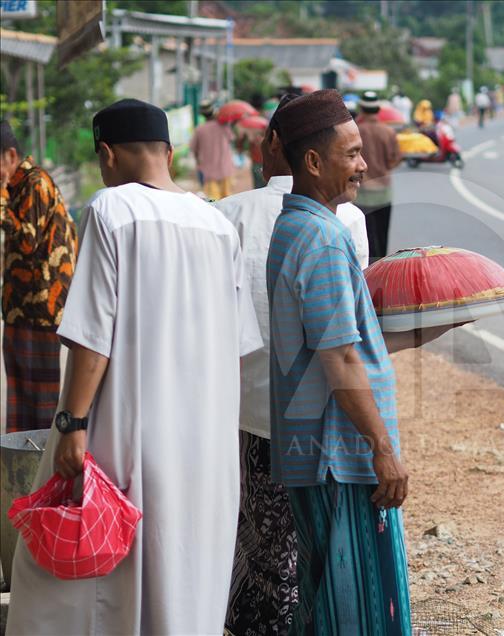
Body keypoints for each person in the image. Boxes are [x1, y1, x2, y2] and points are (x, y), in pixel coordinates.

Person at [6, 98, 262, 634]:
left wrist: (72, 423)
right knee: (188, 576)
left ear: (107, 155)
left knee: (79, 575)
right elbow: (238, 346)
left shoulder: (111, 209)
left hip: (127, 436)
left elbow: (92, 337)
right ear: (168, 152)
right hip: (207, 447)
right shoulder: (217, 224)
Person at [266, 89, 457, 634]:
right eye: (351, 154)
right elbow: (341, 360)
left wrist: (435, 325)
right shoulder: (323, 238)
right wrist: (384, 452)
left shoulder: (297, 226)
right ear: (312, 162)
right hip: (339, 458)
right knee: (354, 611)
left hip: (322, 453)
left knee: (325, 600)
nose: (363, 165)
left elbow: (345, 343)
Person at [215, 98, 369, 636]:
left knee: (260, 547)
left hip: (250, 415)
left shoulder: (227, 213)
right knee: (316, 556)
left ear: (274, 143)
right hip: (326, 423)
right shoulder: (346, 219)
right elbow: (345, 336)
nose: (360, 165)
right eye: (350, 152)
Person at [0, 120, 77, 432]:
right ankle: (22, 470)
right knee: (20, 394)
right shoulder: (14, 185)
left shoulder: (36, 183)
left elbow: (28, 241)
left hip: (42, 307)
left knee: (41, 402)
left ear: (10, 155)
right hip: (19, 306)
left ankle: (44, 471)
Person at [356, 90, 402, 261]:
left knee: (365, 239)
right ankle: (382, 271)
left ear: (362, 108)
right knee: (383, 237)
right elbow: (396, 158)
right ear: (377, 110)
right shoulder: (388, 132)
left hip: (361, 193)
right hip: (384, 192)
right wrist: (384, 167)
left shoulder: (355, 131)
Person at [190, 100, 235, 200]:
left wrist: (198, 163)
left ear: (202, 115)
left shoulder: (199, 129)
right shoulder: (224, 126)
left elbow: (194, 149)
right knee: (227, 199)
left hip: (208, 172)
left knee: (213, 202)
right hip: (226, 169)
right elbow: (231, 139)